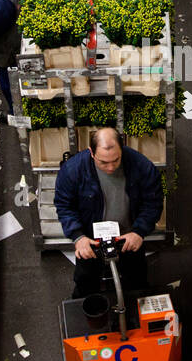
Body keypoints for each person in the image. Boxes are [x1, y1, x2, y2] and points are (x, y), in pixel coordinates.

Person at [54, 127, 163, 299]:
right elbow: (64, 206)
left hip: (128, 236)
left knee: (137, 281)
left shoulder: (142, 166)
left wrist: (139, 232)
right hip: (91, 240)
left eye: (116, 160)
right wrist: (78, 237)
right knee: (85, 283)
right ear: (91, 152)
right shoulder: (72, 171)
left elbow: (153, 202)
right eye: (103, 162)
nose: (111, 167)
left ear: (122, 148)